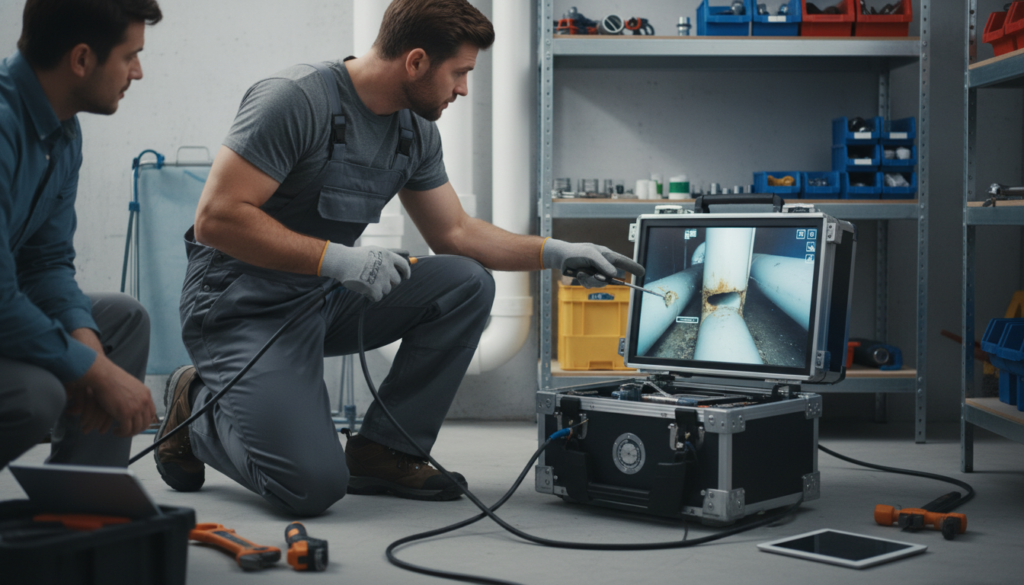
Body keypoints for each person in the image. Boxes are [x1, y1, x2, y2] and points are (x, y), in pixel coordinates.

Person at [155, 0, 642, 517]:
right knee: (310, 487)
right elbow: (217, 218)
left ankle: (385, 450)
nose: (463, 89)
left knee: (465, 283)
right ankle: (196, 403)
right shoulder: (296, 99)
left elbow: (455, 232)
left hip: (322, 298)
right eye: (459, 73)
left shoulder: (415, 131)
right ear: (415, 62)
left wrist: (556, 252)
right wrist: (339, 261)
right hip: (241, 305)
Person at [0, 0, 162, 470]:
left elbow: (45, 262)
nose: (138, 72)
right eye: (130, 56)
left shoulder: (63, 132)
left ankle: (81, 500)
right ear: (82, 59)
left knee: (121, 320)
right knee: (35, 395)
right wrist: (94, 372)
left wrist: (89, 349)